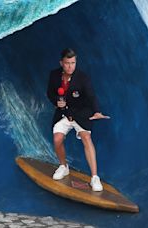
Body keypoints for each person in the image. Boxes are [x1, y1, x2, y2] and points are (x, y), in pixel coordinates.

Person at [47, 48, 110, 191]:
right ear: (61, 63)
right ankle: (64, 167)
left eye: (73, 63)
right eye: (67, 63)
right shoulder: (54, 75)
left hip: (81, 113)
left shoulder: (83, 78)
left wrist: (97, 111)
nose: (70, 66)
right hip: (64, 113)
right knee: (57, 139)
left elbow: (91, 96)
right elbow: (50, 93)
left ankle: (95, 178)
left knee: (86, 137)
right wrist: (57, 102)